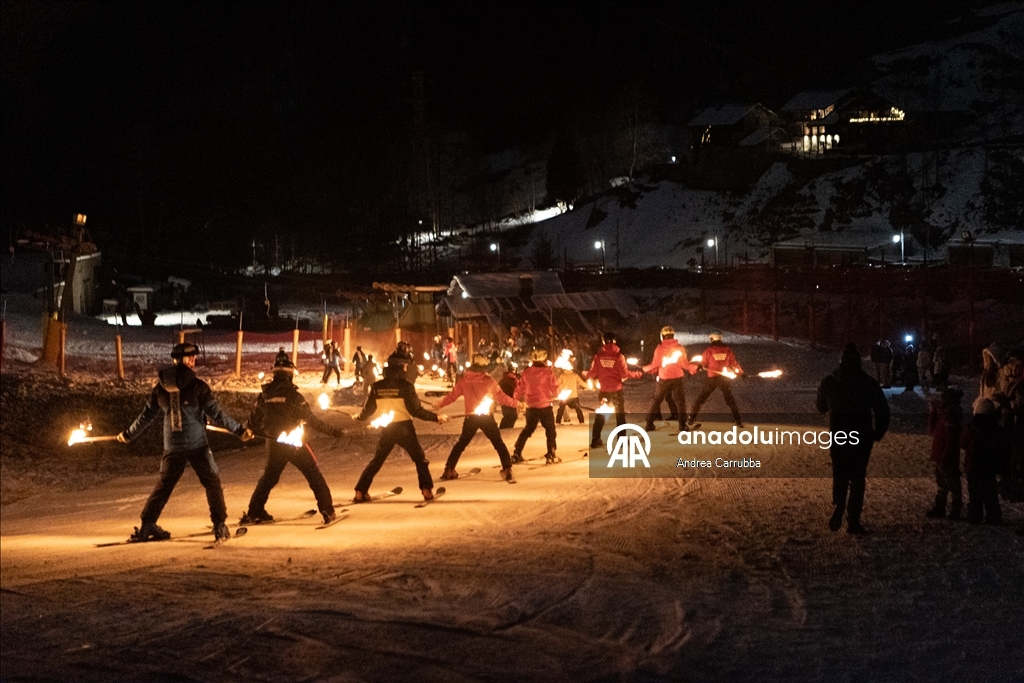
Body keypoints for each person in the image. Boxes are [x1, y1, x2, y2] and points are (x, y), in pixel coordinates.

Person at [117, 342, 253, 542]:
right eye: (191, 358)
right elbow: (217, 414)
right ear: (184, 360)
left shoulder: (161, 388)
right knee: (212, 482)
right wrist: (239, 430)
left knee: (165, 485)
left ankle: (147, 525)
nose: (194, 361)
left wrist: (129, 434)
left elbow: (146, 415)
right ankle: (220, 525)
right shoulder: (198, 386)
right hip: (197, 445)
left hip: (172, 445)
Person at [241, 357, 344, 526]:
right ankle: (327, 510)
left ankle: (255, 510)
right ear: (290, 376)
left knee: (269, 477)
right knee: (313, 474)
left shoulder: (264, 395)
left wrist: (249, 430)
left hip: (274, 444)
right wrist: (333, 431)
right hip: (294, 443)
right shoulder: (295, 397)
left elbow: (254, 419)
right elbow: (311, 420)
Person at [352, 352, 449, 502]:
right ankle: (426, 489)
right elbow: (415, 411)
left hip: (388, 428)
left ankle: (360, 490)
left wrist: (359, 417)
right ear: (399, 367)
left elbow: (368, 410)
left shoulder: (377, 386)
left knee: (377, 460)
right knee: (419, 459)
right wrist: (436, 417)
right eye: (404, 365)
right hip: (404, 428)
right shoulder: (406, 386)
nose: (406, 368)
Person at [815, 342, 890, 534]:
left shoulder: (829, 381)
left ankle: (839, 502)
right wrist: (877, 432)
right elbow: (882, 409)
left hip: (839, 431)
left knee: (840, 471)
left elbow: (821, 407)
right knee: (857, 475)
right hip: (862, 432)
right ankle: (853, 519)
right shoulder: (868, 382)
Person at [435, 353, 518, 482]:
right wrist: (516, 404)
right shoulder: (488, 381)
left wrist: (440, 404)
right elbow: (501, 397)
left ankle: (449, 469)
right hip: (486, 417)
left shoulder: (464, 380)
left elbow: (452, 396)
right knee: (498, 443)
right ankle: (507, 468)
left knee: (461, 443)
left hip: (471, 417)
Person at [586, 331, 642, 448]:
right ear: (615, 341)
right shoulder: (619, 357)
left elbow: (593, 373)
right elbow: (624, 373)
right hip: (616, 390)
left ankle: (595, 439)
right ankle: (621, 440)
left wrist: (585, 374)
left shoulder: (599, 356)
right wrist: (637, 374)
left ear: (603, 341)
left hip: (604, 391)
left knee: (601, 414)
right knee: (620, 416)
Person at [643, 326, 695, 433]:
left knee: (657, 400)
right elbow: (684, 364)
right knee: (680, 401)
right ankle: (682, 425)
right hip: (677, 378)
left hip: (664, 378)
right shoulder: (680, 348)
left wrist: (645, 368)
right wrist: (692, 368)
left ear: (663, 336)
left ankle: (649, 424)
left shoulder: (660, 348)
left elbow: (655, 364)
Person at [512, 348, 560, 464]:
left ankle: (517, 452)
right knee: (550, 430)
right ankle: (551, 452)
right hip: (545, 405)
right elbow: (555, 387)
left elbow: (519, 388)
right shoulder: (547, 372)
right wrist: (560, 395)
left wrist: (515, 400)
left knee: (528, 429)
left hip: (531, 406)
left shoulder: (526, 372)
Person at [688, 332, 745, 428]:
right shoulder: (727, 350)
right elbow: (734, 363)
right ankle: (738, 420)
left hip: (712, 378)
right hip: (724, 378)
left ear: (712, 339)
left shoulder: (709, 351)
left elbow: (703, 363)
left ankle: (691, 418)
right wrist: (741, 373)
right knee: (730, 399)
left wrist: (699, 368)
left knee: (702, 398)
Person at [962, 398, 1002, 525]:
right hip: (989, 466)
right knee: (990, 493)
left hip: (973, 466)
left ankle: (975, 516)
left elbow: (963, 443)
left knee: (974, 493)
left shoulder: (971, 427)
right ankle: (993, 516)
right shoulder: (996, 429)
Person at [926, 387, 964, 520]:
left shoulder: (951, 416)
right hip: (940, 455)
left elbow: (951, 442)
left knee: (953, 484)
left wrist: (945, 458)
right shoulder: (944, 414)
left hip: (947, 457)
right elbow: (933, 430)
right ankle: (940, 507)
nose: (940, 400)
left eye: (942, 398)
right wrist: (933, 412)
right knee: (942, 483)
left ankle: (955, 509)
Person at [555, 355, 587, 425]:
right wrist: (588, 386)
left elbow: (556, 384)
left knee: (561, 409)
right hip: (573, 396)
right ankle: (581, 421)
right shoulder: (574, 375)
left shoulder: (562, 375)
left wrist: (561, 387)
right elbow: (581, 383)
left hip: (564, 396)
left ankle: (558, 422)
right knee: (578, 409)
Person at [497, 364, 520, 429]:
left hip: (505, 400)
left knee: (508, 416)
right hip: (510, 400)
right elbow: (518, 388)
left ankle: (504, 429)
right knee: (512, 416)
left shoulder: (505, 378)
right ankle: (505, 430)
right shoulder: (513, 379)